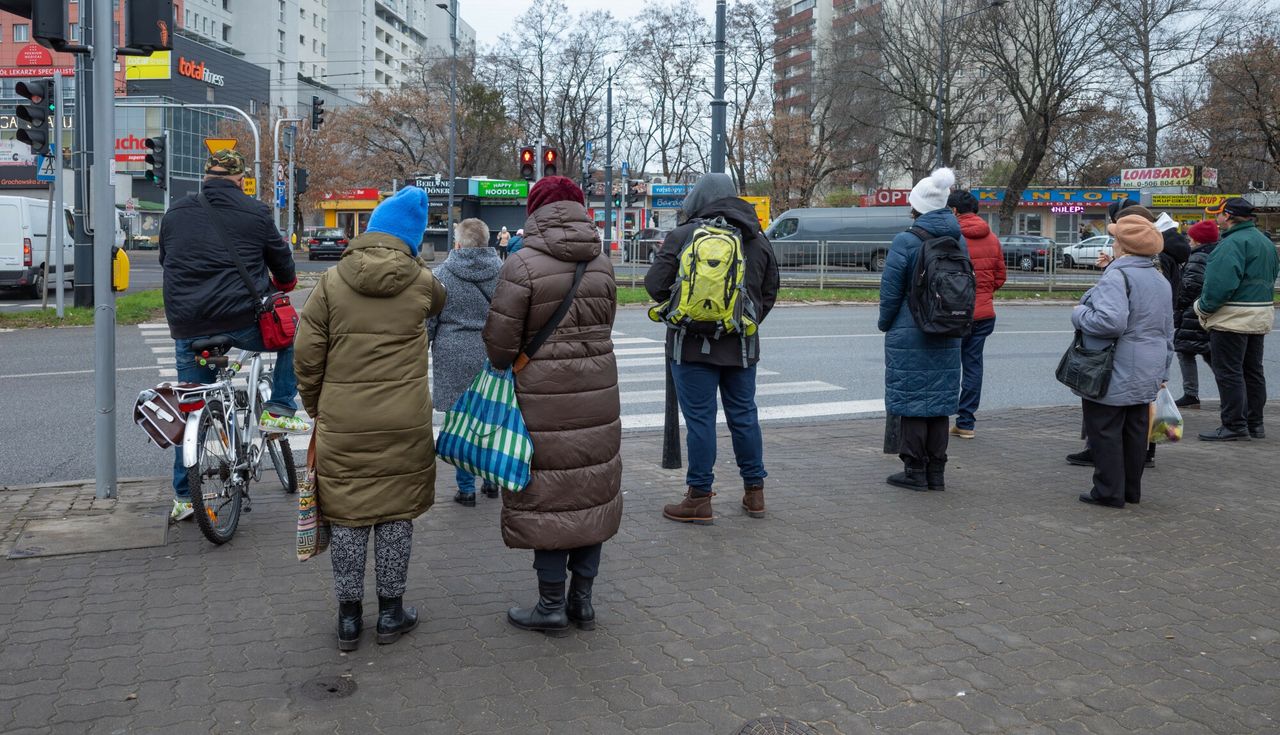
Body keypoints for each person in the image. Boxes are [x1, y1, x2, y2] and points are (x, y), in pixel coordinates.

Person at [293, 186, 447, 650]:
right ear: (412, 238)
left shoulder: (331, 282)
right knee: (396, 514)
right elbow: (439, 304)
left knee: (348, 516)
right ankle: (391, 614)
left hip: (344, 419)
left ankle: (347, 618)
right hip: (406, 420)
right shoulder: (422, 283)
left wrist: (315, 404)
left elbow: (306, 353)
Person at [482, 176, 621, 634]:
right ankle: (584, 602)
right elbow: (605, 324)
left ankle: (550, 606)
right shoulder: (602, 263)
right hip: (598, 391)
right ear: (580, 209)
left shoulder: (521, 264)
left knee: (548, 494)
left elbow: (500, 348)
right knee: (589, 489)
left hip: (541, 397)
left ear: (535, 211)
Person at [158, 148, 309, 523]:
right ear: (240, 180)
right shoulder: (255, 212)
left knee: (192, 404)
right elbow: (284, 269)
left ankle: (183, 497)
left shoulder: (175, 212)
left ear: (205, 177)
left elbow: (166, 259)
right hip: (242, 320)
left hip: (189, 325)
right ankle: (280, 407)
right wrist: (283, 284)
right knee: (294, 333)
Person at [645, 173, 780, 523]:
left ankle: (699, 497)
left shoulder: (683, 235)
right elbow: (769, 292)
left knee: (701, 421)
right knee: (744, 417)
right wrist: (743, 323)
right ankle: (755, 494)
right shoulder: (757, 238)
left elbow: (654, 286)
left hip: (690, 348)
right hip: (741, 348)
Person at [1071, 213, 1172, 508]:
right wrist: (1164, 370)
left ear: (1123, 247)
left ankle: (1108, 491)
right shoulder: (1159, 278)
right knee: (1135, 431)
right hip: (1148, 366)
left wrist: (1078, 313)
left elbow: (1109, 323)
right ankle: (1130, 489)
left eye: (1115, 239)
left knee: (1104, 430)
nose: (1113, 243)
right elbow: (1168, 331)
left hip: (1115, 366)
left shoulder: (1119, 275)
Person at [880, 167, 964, 492]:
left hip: (910, 328)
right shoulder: (958, 239)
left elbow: (890, 291)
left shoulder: (906, 240)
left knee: (913, 401)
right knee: (940, 403)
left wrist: (886, 322)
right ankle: (937, 473)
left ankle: (915, 471)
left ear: (917, 206)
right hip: (948, 326)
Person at [428, 218, 502, 506]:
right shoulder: (504, 273)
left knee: (461, 423)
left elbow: (430, 320)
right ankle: (492, 482)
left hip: (453, 355)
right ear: (487, 241)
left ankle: (466, 489)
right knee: (492, 418)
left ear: (458, 243)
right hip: (492, 353)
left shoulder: (442, 274)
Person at [1195, 197, 1280, 441]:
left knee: (1229, 372)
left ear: (1229, 216)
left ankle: (1234, 425)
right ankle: (1255, 423)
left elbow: (1219, 285)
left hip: (1232, 317)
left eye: (1218, 214)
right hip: (1259, 313)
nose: (1216, 218)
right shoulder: (1264, 242)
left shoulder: (1232, 243)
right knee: (1253, 371)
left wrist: (1203, 307)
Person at [948, 189, 1005, 439]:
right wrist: (983, 293)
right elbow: (1000, 278)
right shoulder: (991, 237)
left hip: (952, 312)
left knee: (947, 366)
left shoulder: (950, 236)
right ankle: (966, 422)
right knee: (973, 367)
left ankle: (939, 420)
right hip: (983, 314)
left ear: (954, 211)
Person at [1172, 220, 1221, 409]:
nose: (1188, 240)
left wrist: (1178, 306)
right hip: (1207, 312)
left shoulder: (1198, 258)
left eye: (1191, 237)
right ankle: (1231, 393)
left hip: (1193, 313)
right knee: (1209, 353)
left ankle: (1191, 394)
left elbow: (1190, 286)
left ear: (1199, 240)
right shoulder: (1216, 253)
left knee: (1186, 351)